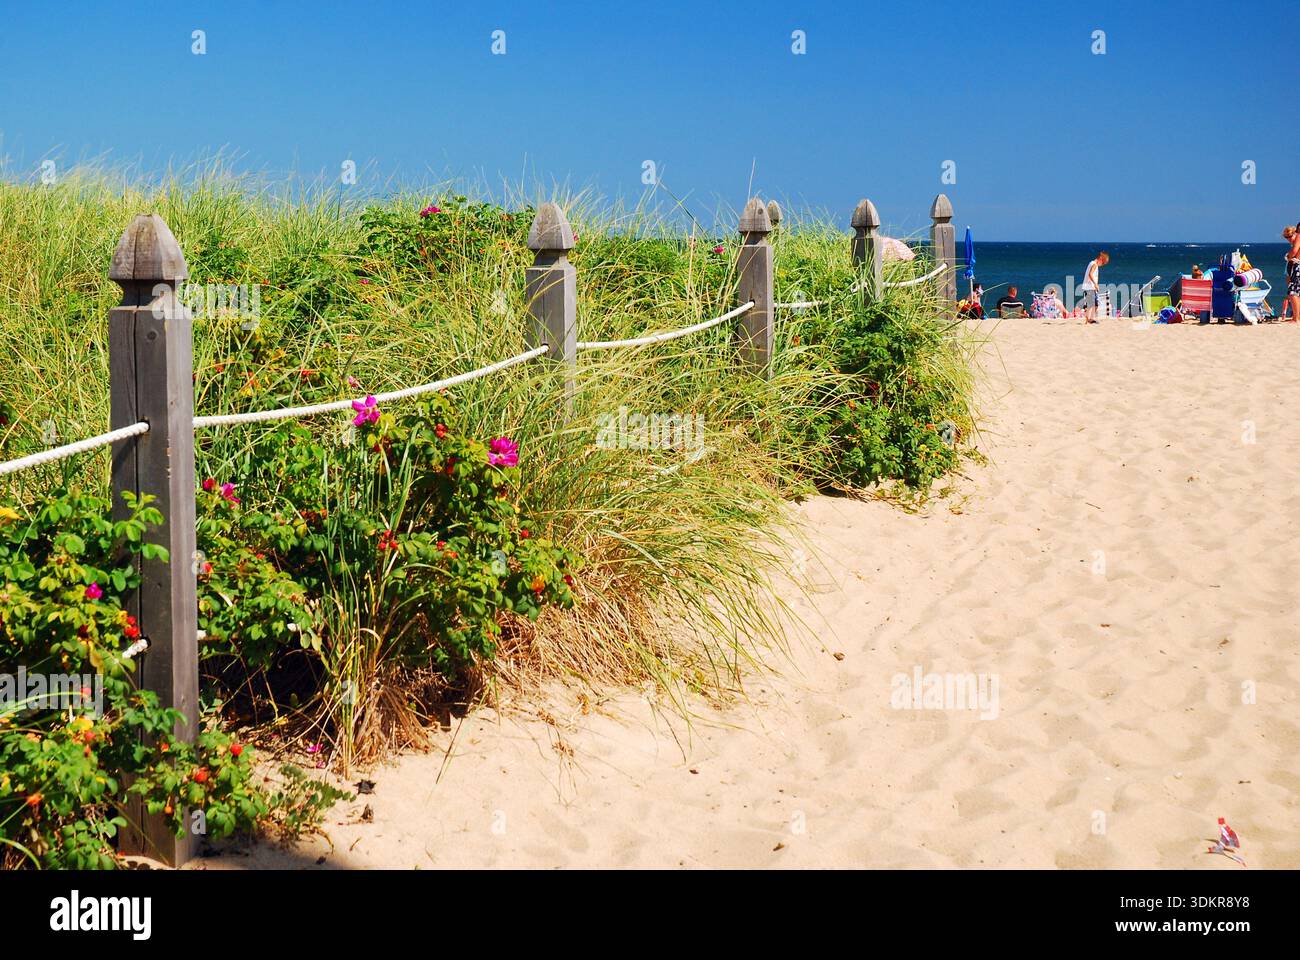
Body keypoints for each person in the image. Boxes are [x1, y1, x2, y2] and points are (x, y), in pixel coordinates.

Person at [1081, 251, 1109, 323]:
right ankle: (1088, 319)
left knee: (1095, 304)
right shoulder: (1095, 265)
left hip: (1090, 287)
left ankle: (1090, 318)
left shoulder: (1091, 263)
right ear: (1100, 258)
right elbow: (1090, 274)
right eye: (1103, 263)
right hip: (1090, 287)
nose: (1102, 265)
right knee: (1091, 304)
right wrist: (1095, 284)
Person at [1283, 225, 1300, 323]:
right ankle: (1297, 316)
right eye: (1286, 237)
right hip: (1296, 266)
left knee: (1293, 292)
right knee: (1296, 292)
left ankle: (1295, 318)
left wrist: (1287, 257)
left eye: (1290, 236)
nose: (1288, 239)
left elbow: (1294, 252)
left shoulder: (1298, 236)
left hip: (1297, 266)